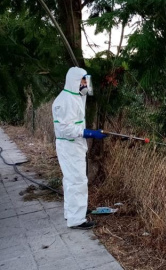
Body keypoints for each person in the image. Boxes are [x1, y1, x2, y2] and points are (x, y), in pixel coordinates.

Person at [52, 67, 107, 229]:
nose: (86, 83)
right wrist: (88, 132)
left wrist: (87, 133)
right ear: (75, 81)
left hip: (72, 145)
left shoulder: (75, 96)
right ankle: (77, 219)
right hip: (69, 146)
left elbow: (84, 96)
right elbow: (64, 128)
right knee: (77, 181)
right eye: (83, 80)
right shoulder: (65, 100)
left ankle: (73, 212)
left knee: (71, 179)